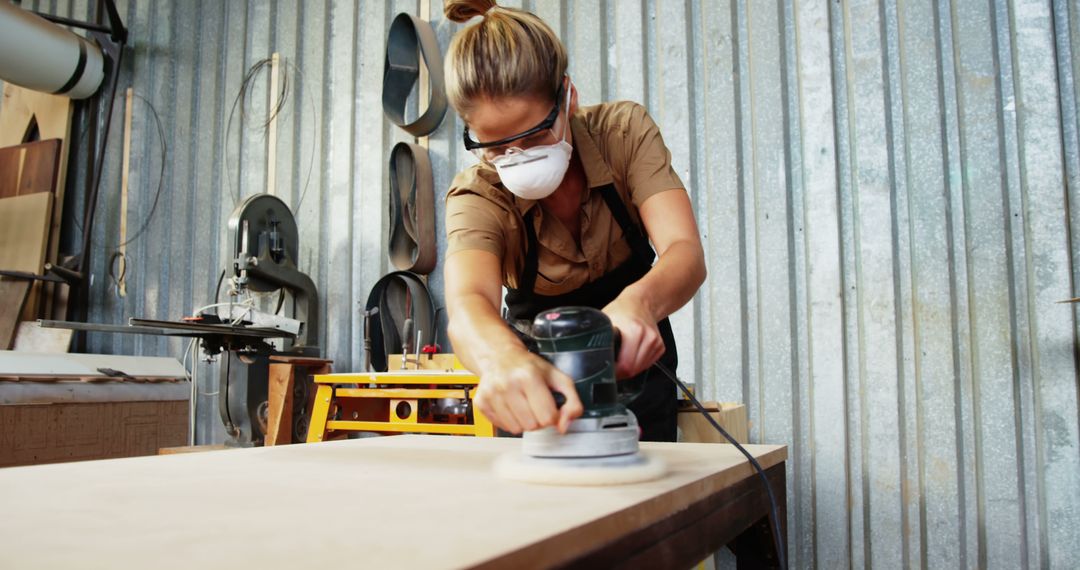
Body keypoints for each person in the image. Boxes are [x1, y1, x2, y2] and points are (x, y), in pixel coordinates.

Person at [442, 0, 706, 442]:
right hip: (536, 387)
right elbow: (469, 302)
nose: (519, 158)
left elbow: (686, 253)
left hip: (634, 367)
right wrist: (503, 359)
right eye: (497, 145)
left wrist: (640, 304)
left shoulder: (623, 134)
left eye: (534, 135)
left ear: (568, 97)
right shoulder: (478, 193)